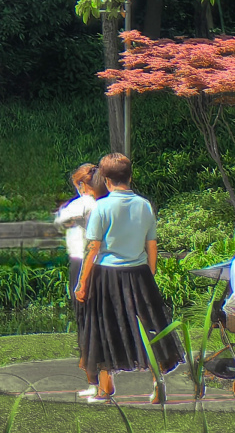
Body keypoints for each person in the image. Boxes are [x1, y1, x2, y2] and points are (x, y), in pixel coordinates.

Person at [73, 152, 181, 403]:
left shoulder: (101, 207)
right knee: (149, 326)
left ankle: (104, 387)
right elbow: (151, 244)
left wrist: (82, 282)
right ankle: (157, 382)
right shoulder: (144, 205)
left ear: (106, 180)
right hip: (139, 273)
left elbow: (93, 248)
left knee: (102, 326)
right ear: (130, 177)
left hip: (107, 275)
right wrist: (149, 273)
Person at [54, 163, 107, 308]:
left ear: (82, 185)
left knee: (82, 309)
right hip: (104, 261)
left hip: (81, 260)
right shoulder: (105, 202)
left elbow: (58, 221)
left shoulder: (82, 203)